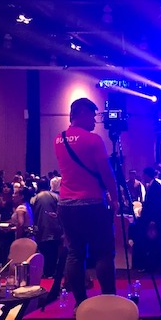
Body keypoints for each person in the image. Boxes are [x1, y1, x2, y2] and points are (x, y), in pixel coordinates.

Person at [54, 97, 118, 306]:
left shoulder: (59, 139)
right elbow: (106, 173)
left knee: (75, 253)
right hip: (91, 203)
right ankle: (109, 301)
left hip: (66, 204)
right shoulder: (93, 140)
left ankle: (80, 304)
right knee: (103, 253)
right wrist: (115, 198)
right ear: (81, 113)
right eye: (92, 115)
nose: (95, 121)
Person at [32, 178, 63, 278]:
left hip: (41, 229)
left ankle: (46, 272)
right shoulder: (55, 196)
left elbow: (33, 215)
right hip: (55, 229)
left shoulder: (34, 198)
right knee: (54, 252)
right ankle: (53, 273)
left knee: (44, 252)